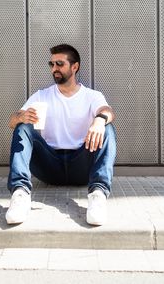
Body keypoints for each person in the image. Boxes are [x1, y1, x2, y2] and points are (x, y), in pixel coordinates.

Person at [6, 44, 116, 226]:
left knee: (107, 127)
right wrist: (20, 116)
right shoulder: (42, 96)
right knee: (22, 127)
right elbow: (11, 122)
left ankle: (98, 195)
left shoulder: (91, 96)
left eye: (59, 63)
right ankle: (20, 194)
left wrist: (99, 120)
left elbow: (108, 111)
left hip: (82, 165)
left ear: (75, 67)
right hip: (49, 165)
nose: (54, 68)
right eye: (51, 64)